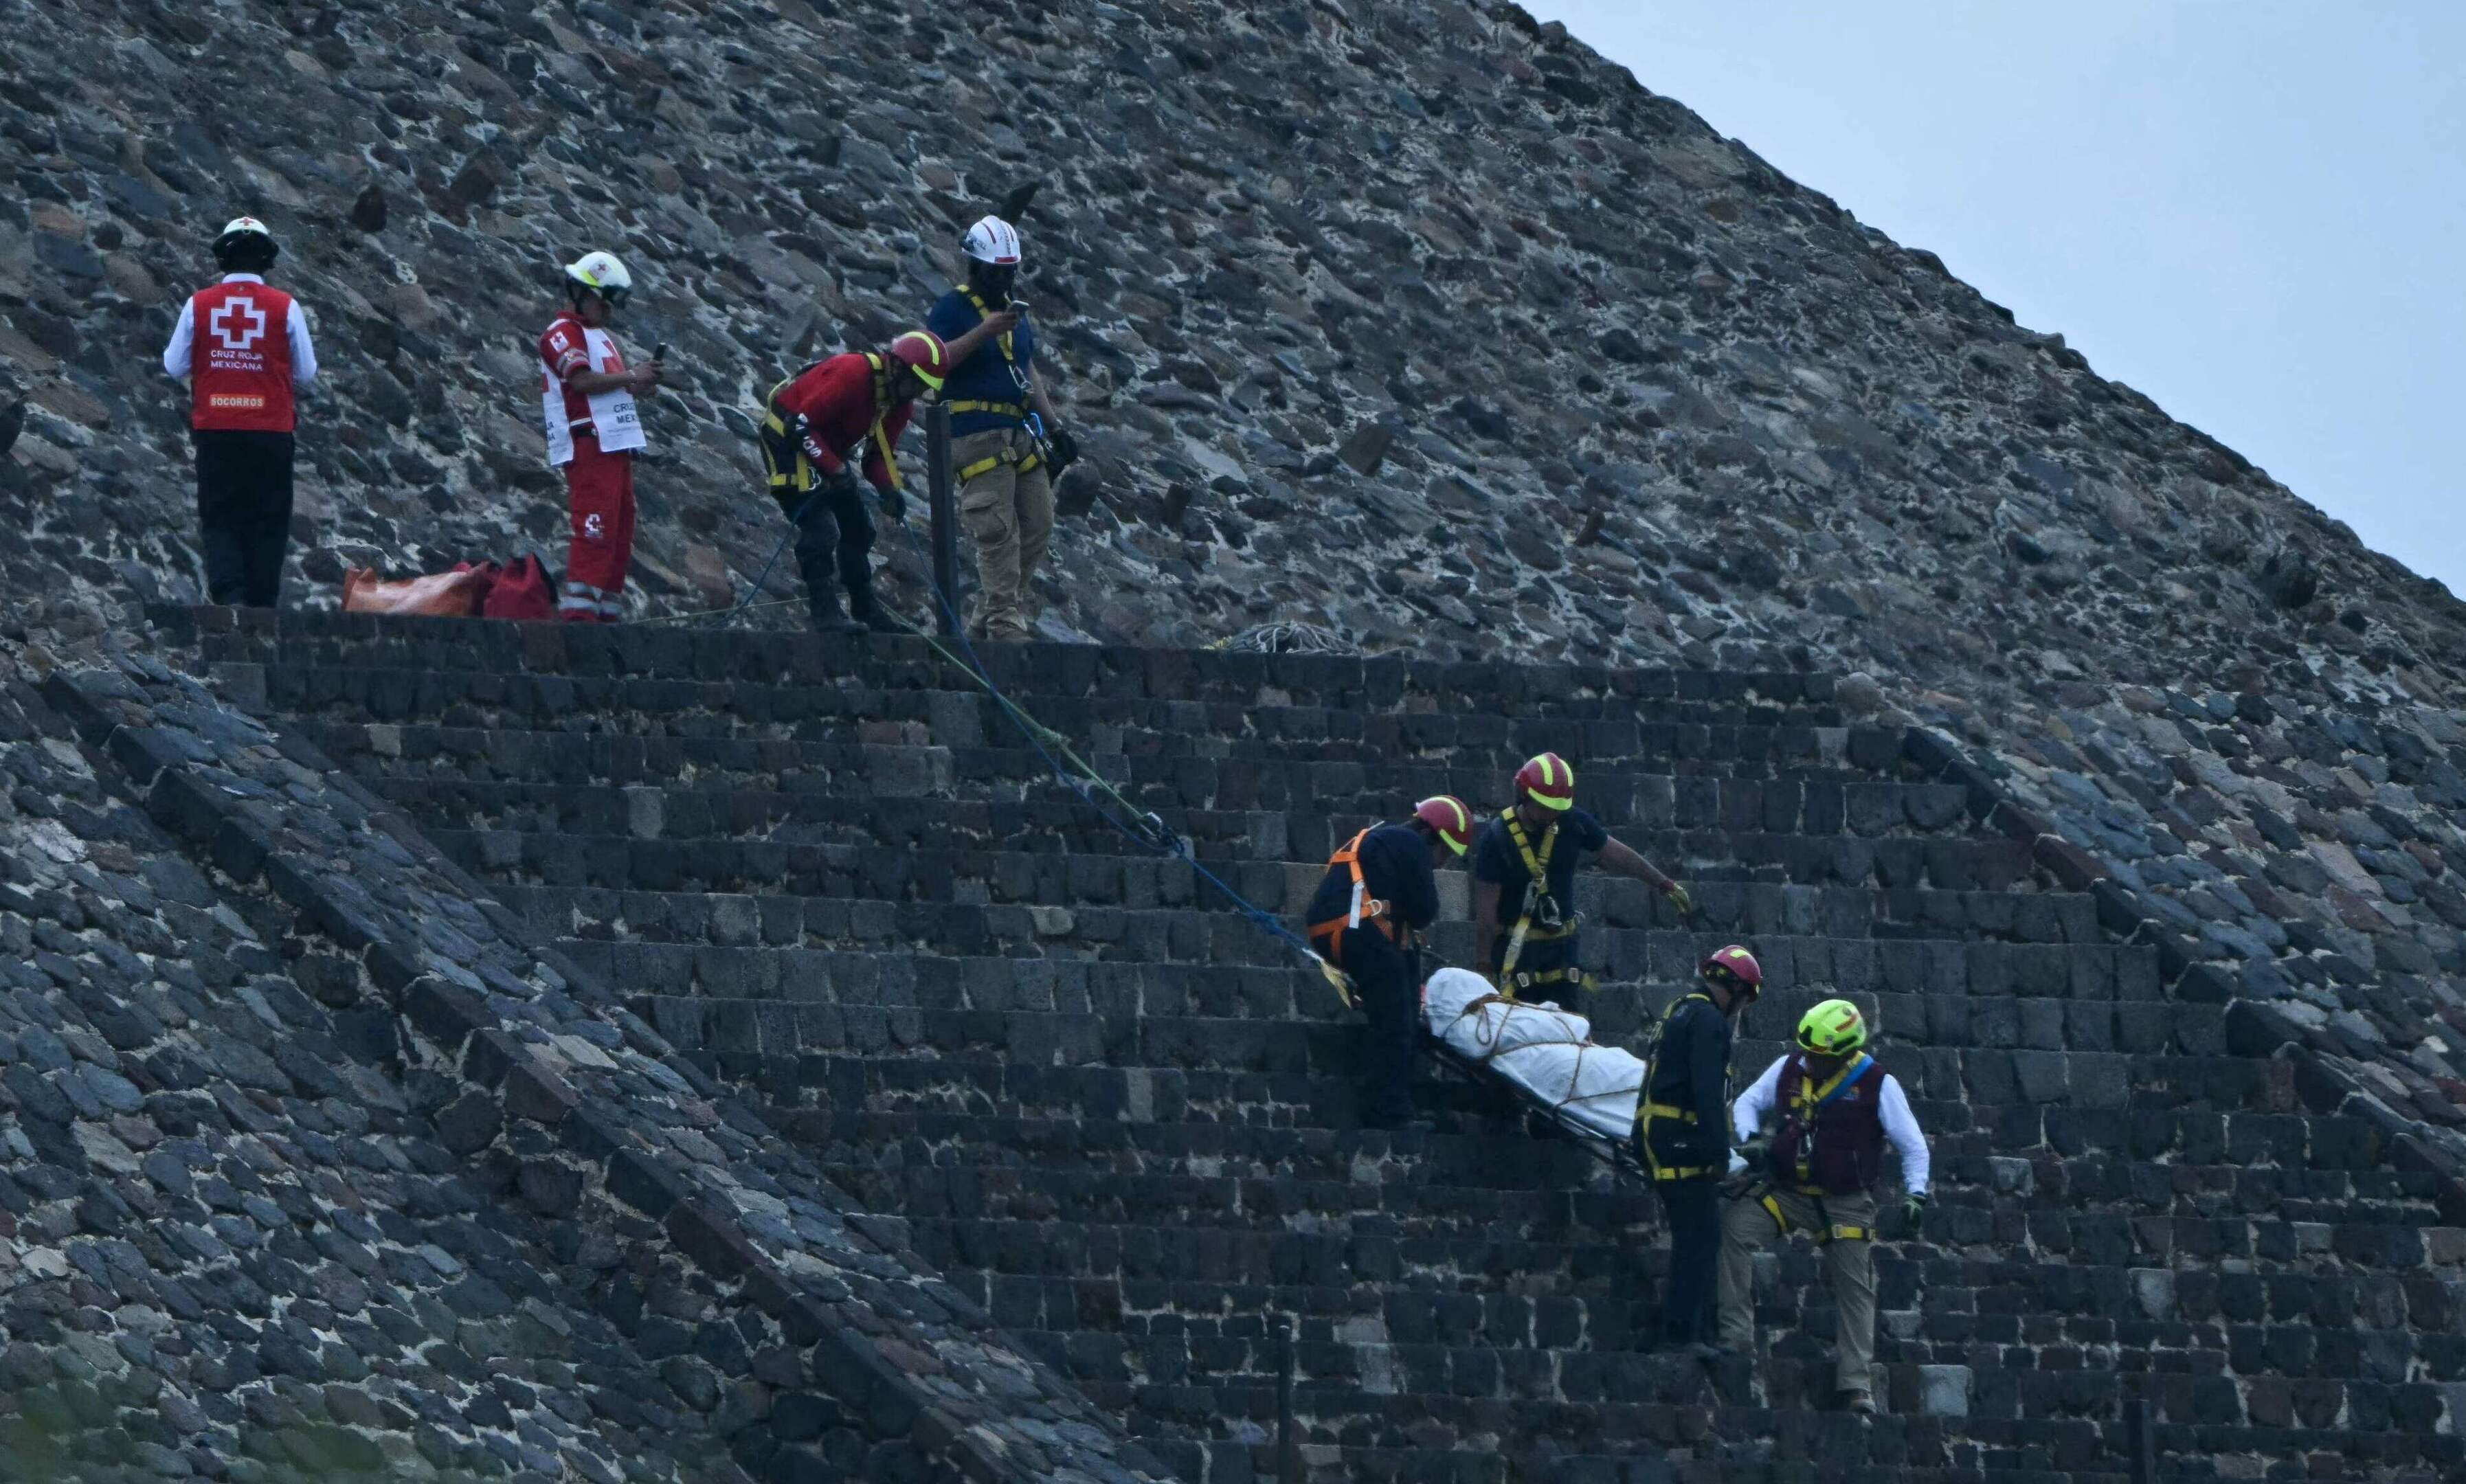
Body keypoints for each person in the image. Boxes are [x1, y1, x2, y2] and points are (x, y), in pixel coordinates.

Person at [1718, 998, 1931, 1415]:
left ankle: (1855, 1384)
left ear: (1844, 1052)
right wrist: (1752, 1140)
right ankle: (1734, 1338)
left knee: (1856, 1286)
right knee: (1735, 1231)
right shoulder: (1786, 1068)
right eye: (1808, 1052)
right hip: (1787, 1193)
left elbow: (1913, 1145)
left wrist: (1916, 1195)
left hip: (1846, 1202)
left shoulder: (1877, 1083)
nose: (1810, 1061)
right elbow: (1745, 1103)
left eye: (1819, 1056)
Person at [759, 320, 1002, 634]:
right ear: (897, 368)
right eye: (916, 383)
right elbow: (799, 425)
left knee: (860, 528)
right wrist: (834, 468)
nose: (917, 393)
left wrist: (889, 489)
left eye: (923, 388)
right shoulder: (852, 373)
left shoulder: (897, 403)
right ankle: (825, 614)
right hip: (786, 442)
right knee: (821, 529)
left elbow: (876, 456)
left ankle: (865, 609)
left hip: (823, 449)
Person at [924, 216, 1080, 642]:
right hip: (974, 433)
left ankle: (984, 618)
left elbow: (1024, 367)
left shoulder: (1014, 312)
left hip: (1018, 432)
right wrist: (984, 332)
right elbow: (935, 360)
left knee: (1039, 520)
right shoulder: (953, 309)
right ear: (975, 268)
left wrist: (1055, 426)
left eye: (1010, 273)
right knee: (996, 529)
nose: (1003, 281)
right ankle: (1004, 624)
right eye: (995, 273)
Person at [161, 217, 319, 607]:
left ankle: (229, 592)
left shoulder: (198, 304)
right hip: (272, 431)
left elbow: (173, 366)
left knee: (220, 513)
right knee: (268, 518)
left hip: (217, 429)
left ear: (222, 260)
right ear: (267, 261)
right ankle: (262, 602)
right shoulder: (287, 306)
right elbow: (308, 373)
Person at [1302, 798, 1475, 1132]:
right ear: (1431, 834)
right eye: (1444, 853)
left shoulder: (1379, 838)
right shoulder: (1412, 844)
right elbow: (1425, 911)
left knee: (1403, 976)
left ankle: (1389, 1096)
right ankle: (1388, 1109)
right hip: (1356, 932)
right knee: (1398, 1017)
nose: (1440, 862)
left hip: (1332, 930)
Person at [1472, 752, 1693, 998]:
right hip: (1516, 956)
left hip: (1562, 953)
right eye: (1546, 808)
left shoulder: (1572, 822)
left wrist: (1663, 883)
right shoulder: (1498, 838)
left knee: (1566, 1029)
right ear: (1525, 795)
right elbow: (1486, 918)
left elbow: (1619, 855)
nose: (1552, 814)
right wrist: (1484, 966)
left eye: (1557, 808)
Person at [1637, 945, 1762, 1353]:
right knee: (1701, 1236)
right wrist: (1719, 1153)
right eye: (1744, 1000)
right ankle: (1682, 1336)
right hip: (1681, 1140)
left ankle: (1684, 1330)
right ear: (1738, 991)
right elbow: (1708, 1093)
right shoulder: (1710, 1022)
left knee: (1693, 1233)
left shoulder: (1679, 1010)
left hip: (1657, 1133)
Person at [540, 251, 662, 622]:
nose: (610, 313)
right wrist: (631, 376)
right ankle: (579, 620)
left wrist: (642, 382)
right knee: (595, 529)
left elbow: (613, 388)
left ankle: (606, 613)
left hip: (615, 444)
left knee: (619, 533)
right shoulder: (561, 334)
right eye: (605, 304)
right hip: (588, 443)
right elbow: (580, 381)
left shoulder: (599, 338)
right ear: (584, 294)